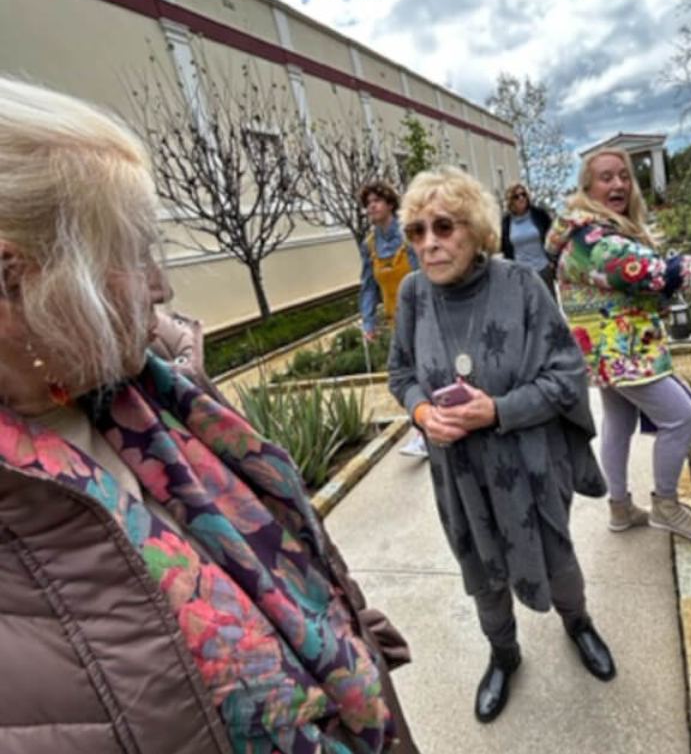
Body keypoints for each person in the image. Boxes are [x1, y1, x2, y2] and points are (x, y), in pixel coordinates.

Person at [0, 76, 418, 754]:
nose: (164, 286)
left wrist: (347, 636)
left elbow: (262, 559)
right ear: (15, 280)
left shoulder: (154, 387)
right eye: (133, 255)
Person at [388, 166, 616, 725]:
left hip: (531, 465)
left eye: (443, 226)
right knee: (479, 563)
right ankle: (503, 653)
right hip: (459, 471)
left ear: (476, 228)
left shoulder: (521, 286)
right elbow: (401, 373)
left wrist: (497, 410)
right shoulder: (415, 294)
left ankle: (578, 623)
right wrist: (420, 412)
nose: (429, 243)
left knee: (556, 555)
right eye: (416, 231)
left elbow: (568, 376)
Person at [545, 148, 691, 540]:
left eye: (624, 175)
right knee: (683, 417)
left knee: (618, 424)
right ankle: (667, 506)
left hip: (609, 351)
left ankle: (620, 508)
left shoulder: (591, 232)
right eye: (606, 177)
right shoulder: (594, 241)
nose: (619, 183)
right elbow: (658, 272)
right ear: (586, 188)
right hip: (624, 353)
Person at [358, 180, 428, 458]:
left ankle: (423, 431)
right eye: (368, 203)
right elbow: (367, 285)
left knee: (423, 371)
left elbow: (424, 272)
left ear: (389, 204)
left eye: (377, 200)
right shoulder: (370, 245)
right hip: (396, 320)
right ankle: (424, 428)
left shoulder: (407, 235)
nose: (371, 206)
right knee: (405, 375)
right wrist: (367, 321)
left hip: (422, 313)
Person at [499, 182, 554, 295]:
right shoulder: (506, 222)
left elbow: (553, 237)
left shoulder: (539, 214)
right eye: (516, 196)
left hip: (543, 267)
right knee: (529, 308)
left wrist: (552, 261)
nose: (521, 198)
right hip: (521, 273)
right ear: (511, 201)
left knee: (551, 305)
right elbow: (504, 248)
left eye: (523, 194)